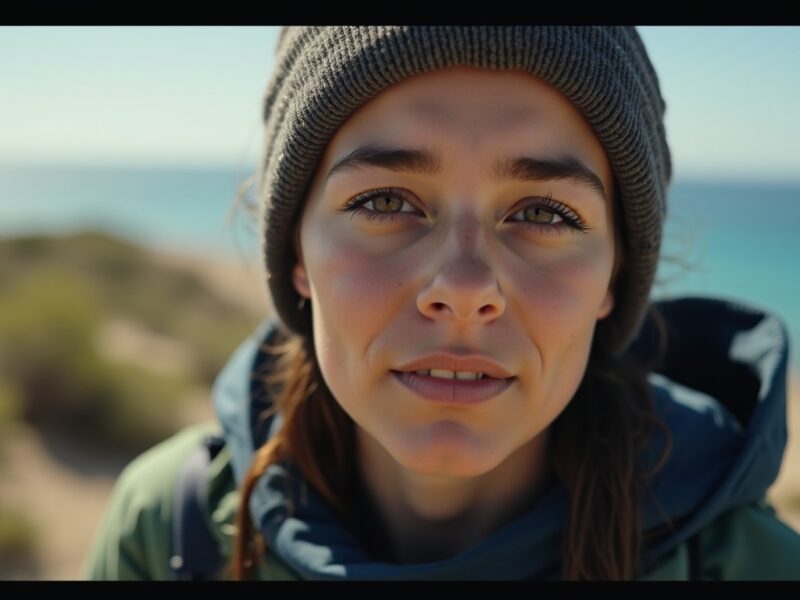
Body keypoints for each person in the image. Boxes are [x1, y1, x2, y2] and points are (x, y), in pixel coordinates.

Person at [83, 26, 800, 581]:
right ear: (296, 252)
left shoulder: (751, 566)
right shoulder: (169, 530)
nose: (462, 290)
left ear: (615, 275)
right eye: (385, 201)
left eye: (546, 213)